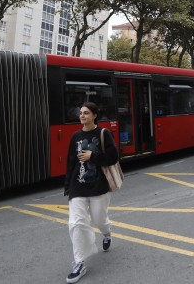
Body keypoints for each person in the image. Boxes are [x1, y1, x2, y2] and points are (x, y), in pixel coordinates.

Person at [63, 102, 119, 283]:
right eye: (80, 113)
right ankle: (79, 262)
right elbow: (71, 162)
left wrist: (92, 156)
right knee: (76, 223)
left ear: (95, 115)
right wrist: (68, 186)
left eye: (86, 113)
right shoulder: (75, 136)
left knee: (98, 220)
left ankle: (106, 231)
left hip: (99, 186)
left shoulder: (104, 134)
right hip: (78, 186)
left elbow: (113, 157)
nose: (82, 116)